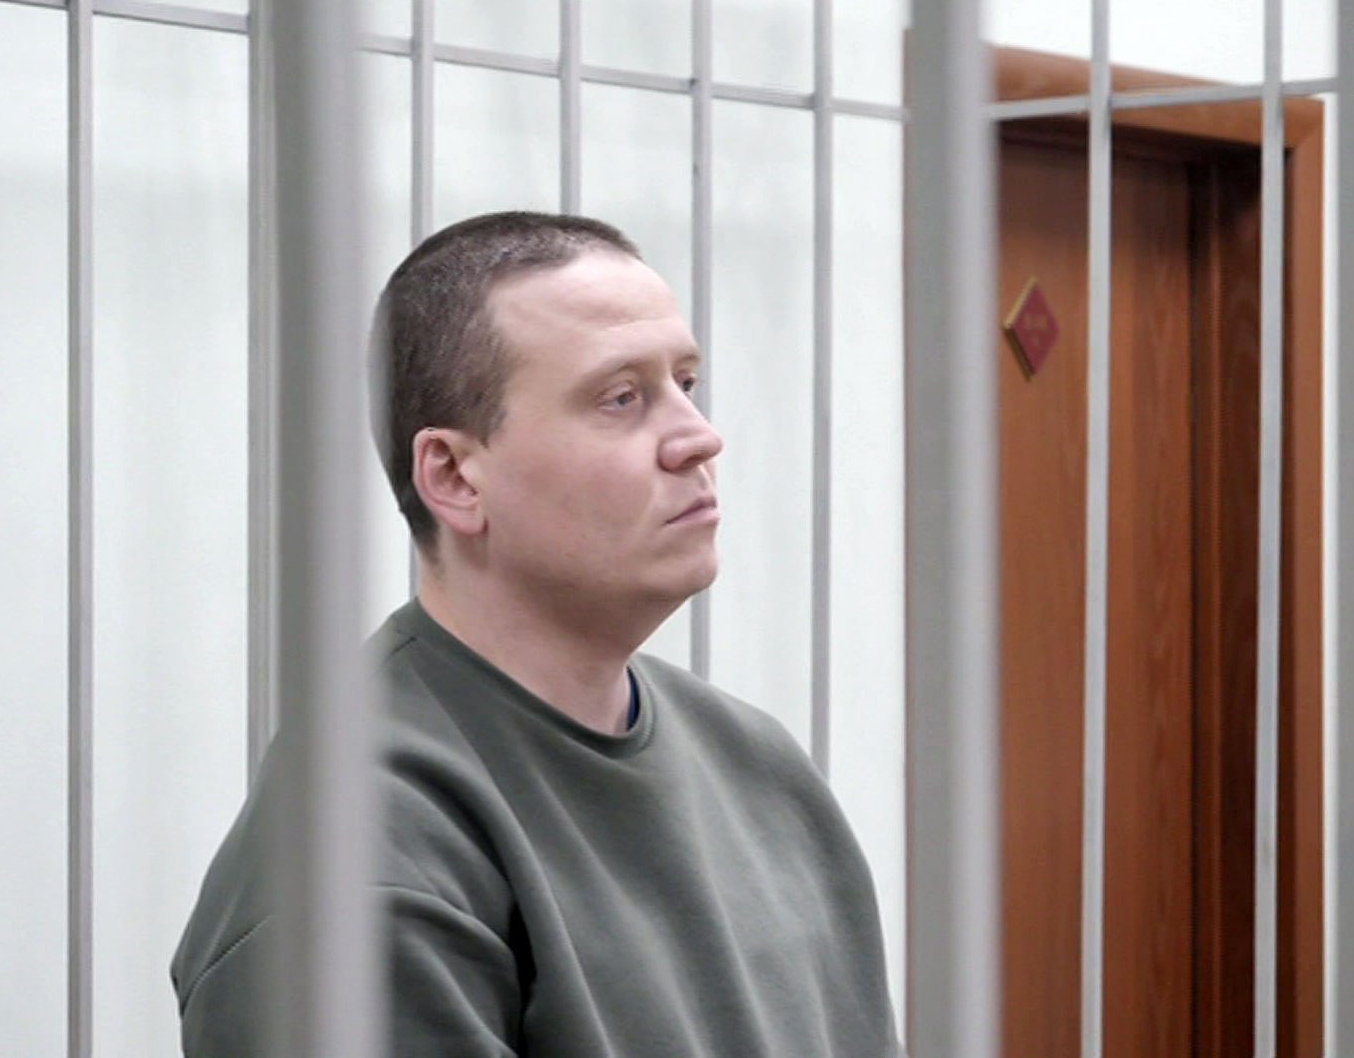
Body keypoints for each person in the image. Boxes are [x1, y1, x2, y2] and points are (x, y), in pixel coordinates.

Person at [172, 211, 901, 1056]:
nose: (699, 438)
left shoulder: (761, 770)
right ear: (454, 476)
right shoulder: (364, 851)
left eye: (686, 383)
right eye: (621, 398)